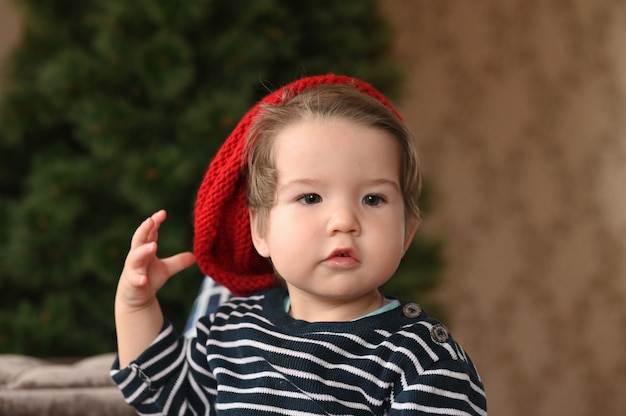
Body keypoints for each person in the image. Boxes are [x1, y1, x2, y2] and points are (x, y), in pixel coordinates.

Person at [111, 74, 487, 415]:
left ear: (407, 232)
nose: (344, 221)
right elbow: (165, 398)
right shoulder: (229, 332)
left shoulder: (421, 359)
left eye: (373, 199)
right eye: (310, 198)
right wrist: (136, 306)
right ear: (261, 230)